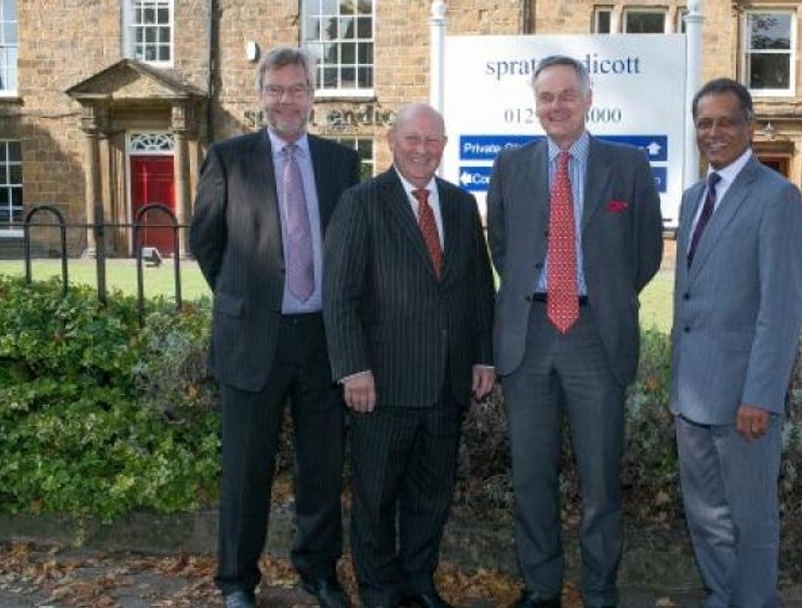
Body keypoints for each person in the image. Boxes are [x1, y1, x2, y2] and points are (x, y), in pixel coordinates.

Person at [486, 55, 664, 608]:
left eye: (567, 95)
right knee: (531, 476)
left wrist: (605, 296)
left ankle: (599, 588)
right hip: (529, 335)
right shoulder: (510, 166)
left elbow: (646, 252)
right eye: (546, 97)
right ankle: (541, 587)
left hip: (596, 335)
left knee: (600, 478)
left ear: (588, 100)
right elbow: (503, 249)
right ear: (535, 104)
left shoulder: (627, 166)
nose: (556, 106)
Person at [189, 47, 360, 608]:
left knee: (322, 467)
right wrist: (247, 297)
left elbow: (349, 250)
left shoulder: (341, 163)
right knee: (246, 470)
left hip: (323, 339)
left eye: (298, 88)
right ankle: (237, 581)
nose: (287, 99)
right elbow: (206, 243)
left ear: (313, 96)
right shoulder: (228, 158)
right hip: (252, 339)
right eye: (276, 89)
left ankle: (318, 572)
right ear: (261, 95)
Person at [322, 103, 495, 608]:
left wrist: (483, 357)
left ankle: (419, 582)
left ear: (444, 145)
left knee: (431, 495)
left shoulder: (461, 204)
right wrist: (353, 368)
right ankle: (379, 591)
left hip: (447, 381)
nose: (423, 150)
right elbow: (339, 294)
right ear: (392, 143)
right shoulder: (361, 202)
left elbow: (479, 290)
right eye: (413, 139)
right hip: (381, 384)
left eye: (432, 140)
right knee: (376, 497)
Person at [670, 78, 802, 608]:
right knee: (705, 516)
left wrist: (761, 396)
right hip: (692, 395)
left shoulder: (777, 198)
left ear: (750, 126)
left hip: (743, 399)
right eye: (705, 122)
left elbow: (781, 309)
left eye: (727, 121)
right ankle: (721, 597)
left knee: (751, 520)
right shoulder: (692, 199)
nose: (715, 132)